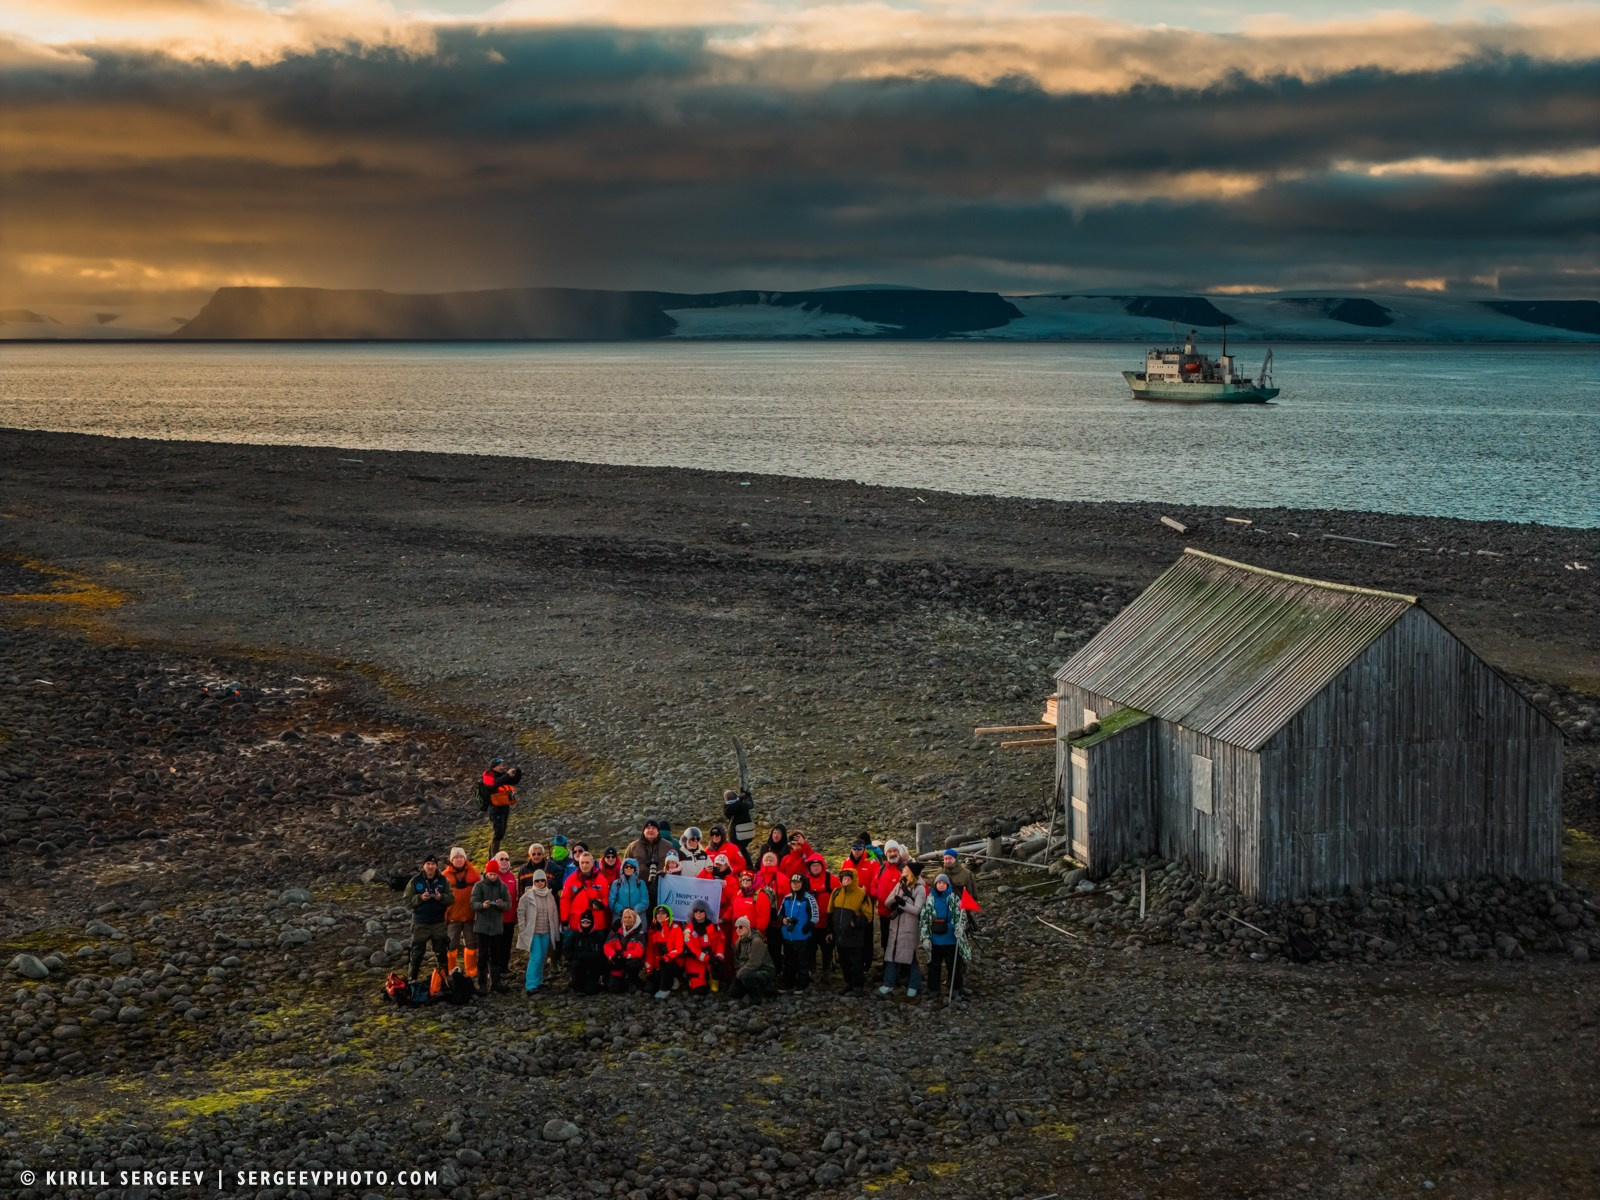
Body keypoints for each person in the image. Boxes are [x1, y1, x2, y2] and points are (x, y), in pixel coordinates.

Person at [920, 872, 971, 1000]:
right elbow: (924, 919)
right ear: (935, 884)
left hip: (951, 939)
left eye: (944, 883)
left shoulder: (954, 898)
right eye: (939, 882)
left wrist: (960, 928)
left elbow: (961, 916)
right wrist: (925, 937)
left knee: (954, 965)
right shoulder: (930, 899)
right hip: (935, 939)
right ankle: (933, 988)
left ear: (947, 884)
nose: (941, 885)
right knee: (933, 965)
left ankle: (956, 987)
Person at [880, 861, 926, 998]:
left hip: (909, 927)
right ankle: (888, 984)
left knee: (911, 957)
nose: (903, 869)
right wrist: (895, 900)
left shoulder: (920, 889)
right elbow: (887, 902)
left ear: (911, 871)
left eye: (906, 868)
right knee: (891, 956)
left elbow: (917, 910)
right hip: (896, 926)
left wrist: (903, 904)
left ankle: (913, 985)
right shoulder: (900, 884)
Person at [404, 853, 452, 981]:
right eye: (428, 864)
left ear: (436, 866)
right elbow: (407, 901)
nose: (430, 867)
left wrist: (440, 897)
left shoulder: (443, 880)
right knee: (416, 954)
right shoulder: (415, 880)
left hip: (438, 923)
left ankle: (445, 981)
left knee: (442, 953)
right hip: (420, 923)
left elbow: (451, 899)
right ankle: (411, 981)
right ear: (424, 866)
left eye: (433, 864)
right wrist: (420, 898)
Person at [830, 867, 875, 994]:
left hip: (854, 936)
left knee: (855, 962)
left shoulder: (862, 895)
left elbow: (868, 916)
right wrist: (830, 930)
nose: (846, 881)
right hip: (840, 935)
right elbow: (830, 912)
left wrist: (854, 923)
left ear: (854, 879)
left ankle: (858, 987)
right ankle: (848, 984)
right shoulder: (836, 893)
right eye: (844, 879)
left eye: (849, 879)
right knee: (844, 962)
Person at [514, 869, 560, 994]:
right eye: (537, 880)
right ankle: (530, 984)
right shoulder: (527, 896)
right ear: (534, 881)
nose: (540, 883)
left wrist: (555, 930)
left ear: (546, 881)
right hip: (533, 932)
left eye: (542, 880)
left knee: (543, 957)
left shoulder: (549, 895)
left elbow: (554, 914)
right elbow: (521, 912)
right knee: (536, 957)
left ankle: (539, 981)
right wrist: (523, 928)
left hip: (546, 931)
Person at [470, 858, 513, 995]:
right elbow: (473, 903)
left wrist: (501, 905)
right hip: (482, 926)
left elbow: (508, 905)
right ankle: (482, 984)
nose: (493, 876)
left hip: (496, 926)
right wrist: (482, 905)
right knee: (482, 955)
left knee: (496, 954)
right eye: (491, 874)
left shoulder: (502, 887)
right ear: (486, 873)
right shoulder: (479, 886)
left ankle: (496, 982)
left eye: (495, 874)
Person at [442, 846, 481, 978]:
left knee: (471, 944)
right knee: (451, 945)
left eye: (461, 857)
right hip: (453, 918)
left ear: (465, 858)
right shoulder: (444, 876)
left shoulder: (473, 873)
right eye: (456, 857)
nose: (459, 860)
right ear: (451, 860)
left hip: (470, 917)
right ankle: (451, 971)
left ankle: (471, 970)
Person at [777, 874, 819, 991]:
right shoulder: (787, 898)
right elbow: (780, 914)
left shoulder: (809, 898)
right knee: (788, 961)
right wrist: (783, 920)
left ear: (803, 884)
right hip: (788, 935)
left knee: (803, 962)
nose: (795, 885)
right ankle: (788, 983)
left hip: (802, 937)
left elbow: (815, 916)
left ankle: (802, 984)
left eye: (798, 882)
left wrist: (805, 929)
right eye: (793, 882)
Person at [803, 853, 838, 979]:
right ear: (809, 867)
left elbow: (839, 896)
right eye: (813, 866)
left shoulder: (831, 879)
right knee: (810, 949)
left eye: (818, 865)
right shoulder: (805, 881)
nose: (816, 868)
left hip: (826, 923)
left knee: (827, 949)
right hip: (810, 922)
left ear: (822, 866)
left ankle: (826, 971)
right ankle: (812, 969)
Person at [625, 819, 672, 907]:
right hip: (638, 888)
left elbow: (675, 864)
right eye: (648, 828)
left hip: (662, 888)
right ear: (643, 831)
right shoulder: (633, 846)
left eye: (653, 828)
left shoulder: (668, 846)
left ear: (658, 831)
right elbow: (624, 866)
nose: (651, 830)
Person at [489, 850, 519, 987]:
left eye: (507, 859)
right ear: (495, 860)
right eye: (502, 859)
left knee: (507, 944)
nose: (505, 862)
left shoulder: (512, 876)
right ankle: (494, 971)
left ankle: (504, 967)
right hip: (495, 918)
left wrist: (516, 914)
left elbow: (515, 896)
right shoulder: (492, 876)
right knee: (495, 945)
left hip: (509, 917)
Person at [872, 841, 908, 955]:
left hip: (901, 913)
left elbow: (918, 888)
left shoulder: (906, 869)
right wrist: (878, 893)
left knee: (902, 942)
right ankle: (888, 966)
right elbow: (873, 885)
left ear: (899, 852)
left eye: (895, 851)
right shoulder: (882, 869)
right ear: (886, 854)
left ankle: (903, 969)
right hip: (884, 913)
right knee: (886, 941)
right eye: (890, 851)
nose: (892, 854)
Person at [681, 901, 725, 995]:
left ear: (706, 912)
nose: (698, 913)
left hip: (712, 960)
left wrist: (718, 957)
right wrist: (707, 958)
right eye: (696, 910)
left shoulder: (714, 927)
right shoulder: (689, 930)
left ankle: (713, 980)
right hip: (696, 962)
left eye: (701, 911)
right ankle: (693, 981)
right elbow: (690, 948)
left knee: (718, 966)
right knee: (699, 991)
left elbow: (720, 943)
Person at [728, 916, 775, 1002]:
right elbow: (738, 962)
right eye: (736, 927)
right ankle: (753, 990)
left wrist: (740, 974)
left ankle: (757, 997)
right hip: (748, 971)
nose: (738, 929)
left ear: (747, 927)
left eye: (741, 927)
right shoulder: (738, 942)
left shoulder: (756, 941)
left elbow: (754, 964)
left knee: (746, 977)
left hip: (764, 970)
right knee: (733, 993)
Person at [603, 908, 648, 993]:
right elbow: (607, 945)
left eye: (630, 917)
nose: (627, 920)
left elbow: (639, 951)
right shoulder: (616, 931)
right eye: (625, 917)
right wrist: (613, 956)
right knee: (614, 989)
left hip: (630, 961)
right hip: (618, 961)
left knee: (633, 963)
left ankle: (632, 980)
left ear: (635, 919)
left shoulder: (640, 934)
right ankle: (615, 978)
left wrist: (623, 954)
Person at [645, 904, 684, 998]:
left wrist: (667, 957)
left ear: (668, 915)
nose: (660, 915)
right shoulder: (653, 930)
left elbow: (679, 948)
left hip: (674, 961)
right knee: (649, 988)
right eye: (658, 913)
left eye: (663, 913)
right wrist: (649, 969)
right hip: (659, 962)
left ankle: (665, 989)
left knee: (666, 966)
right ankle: (667, 981)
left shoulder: (676, 928)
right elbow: (650, 950)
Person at [568, 910, 605, 996]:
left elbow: (600, 953)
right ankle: (576, 984)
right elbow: (566, 951)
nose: (585, 924)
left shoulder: (597, 936)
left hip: (592, 965)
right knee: (575, 965)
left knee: (590, 990)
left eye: (588, 922)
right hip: (578, 964)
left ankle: (593, 983)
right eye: (583, 921)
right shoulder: (575, 935)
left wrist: (583, 956)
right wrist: (578, 957)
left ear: (592, 923)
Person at [486, 765, 520, 855]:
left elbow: (513, 781)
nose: (501, 767)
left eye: (501, 765)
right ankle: (494, 858)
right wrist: (507, 775)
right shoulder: (488, 776)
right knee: (498, 834)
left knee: (500, 833)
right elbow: (493, 784)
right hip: (495, 808)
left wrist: (518, 773)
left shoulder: (503, 775)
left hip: (504, 806)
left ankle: (492, 858)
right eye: (498, 765)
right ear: (493, 767)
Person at [609, 857, 648, 927]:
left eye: (631, 867)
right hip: (620, 917)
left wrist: (634, 911)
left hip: (638, 917)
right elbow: (612, 901)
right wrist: (623, 911)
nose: (628, 869)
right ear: (622, 868)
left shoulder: (641, 883)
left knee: (638, 937)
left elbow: (645, 901)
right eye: (626, 867)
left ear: (635, 868)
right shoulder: (616, 883)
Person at [723, 787, 756, 864]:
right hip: (748, 833)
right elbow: (750, 805)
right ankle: (749, 866)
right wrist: (746, 795)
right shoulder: (743, 805)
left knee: (736, 850)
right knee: (743, 849)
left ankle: (739, 865)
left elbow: (734, 805)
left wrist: (741, 797)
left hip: (736, 835)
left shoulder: (727, 809)